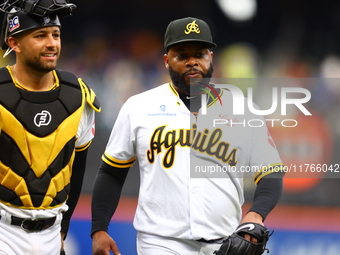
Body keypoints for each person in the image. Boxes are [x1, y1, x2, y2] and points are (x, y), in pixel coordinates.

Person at [91, 17, 284, 255]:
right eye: (182, 55)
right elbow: (112, 171)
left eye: (200, 54)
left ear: (210, 58)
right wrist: (99, 228)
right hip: (160, 242)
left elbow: (271, 172)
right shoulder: (138, 106)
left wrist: (257, 213)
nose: (192, 62)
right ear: (166, 60)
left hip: (226, 243)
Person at [0, 1, 100, 254]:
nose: (52, 44)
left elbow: (78, 170)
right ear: (14, 43)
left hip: (53, 236)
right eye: (40, 35)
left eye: (56, 35)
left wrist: (64, 227)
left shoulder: (79, 97)